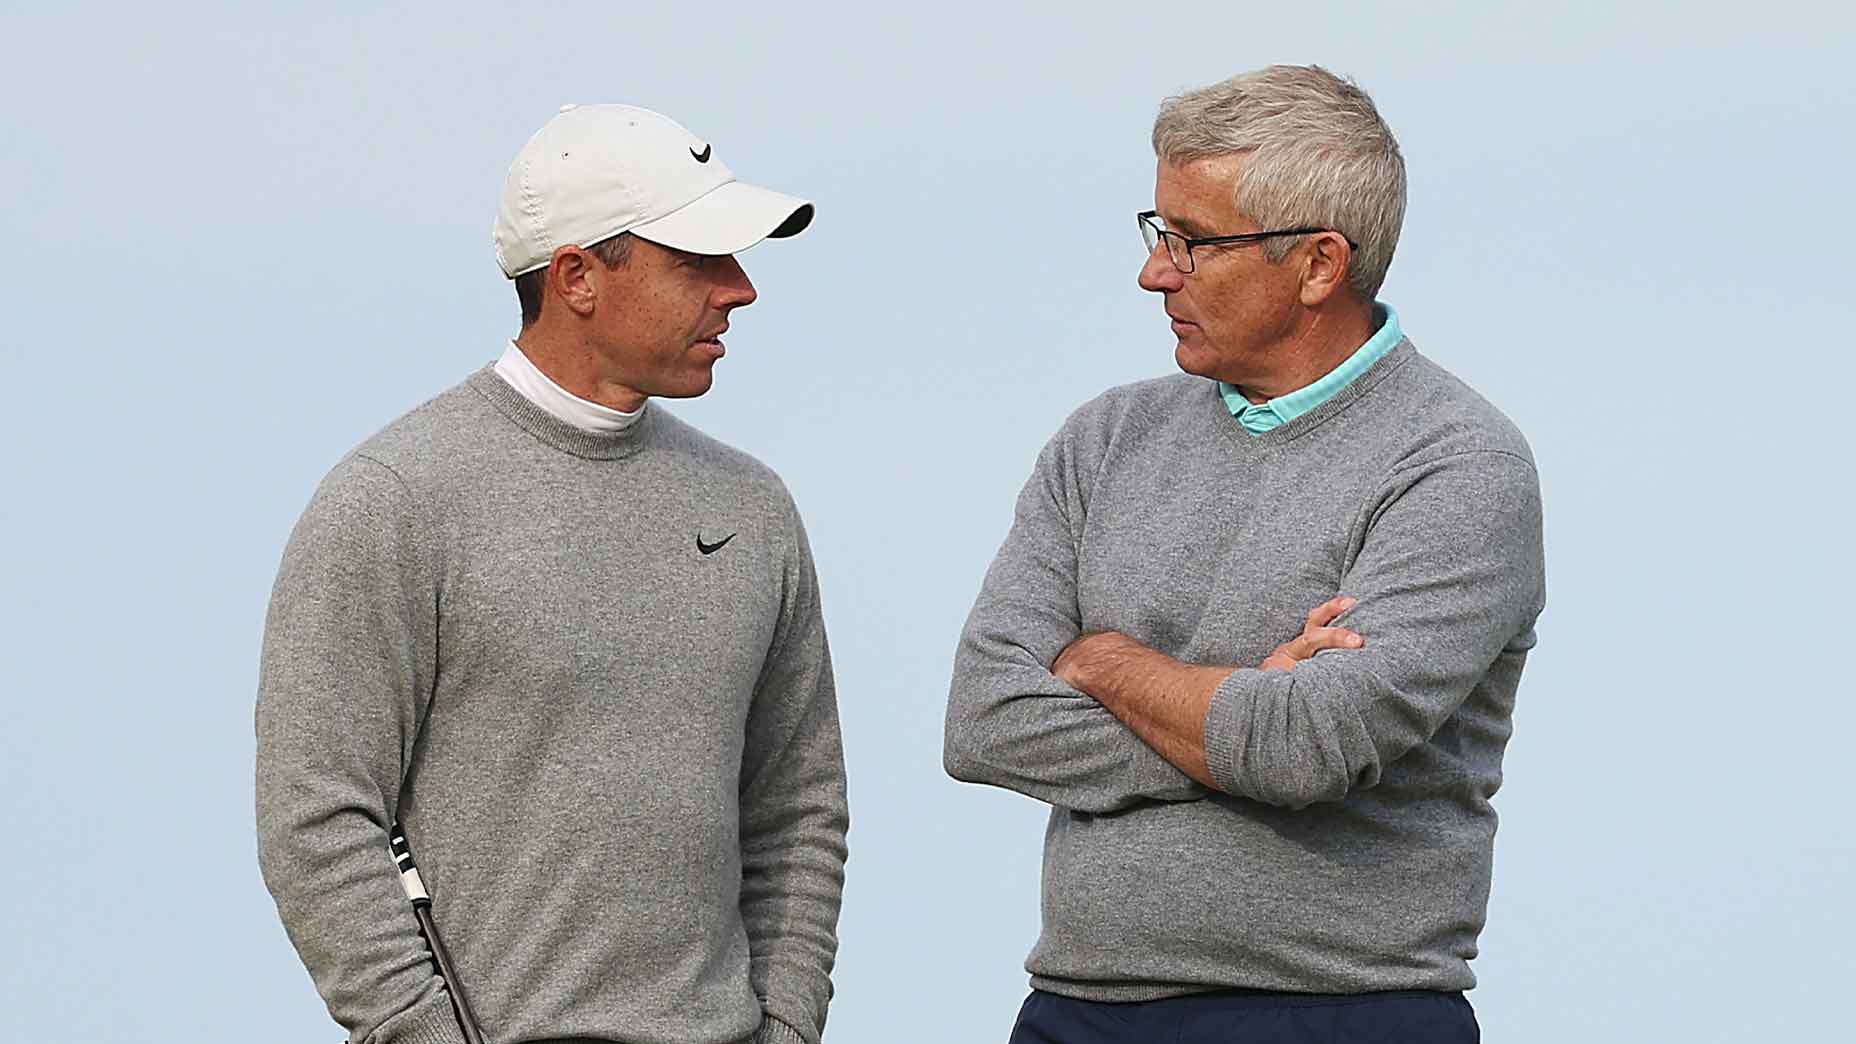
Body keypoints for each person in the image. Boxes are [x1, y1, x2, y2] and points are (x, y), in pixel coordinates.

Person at [944, 65, 1546, 1044]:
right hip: (1072, 1012)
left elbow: (1311, 744)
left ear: (1317, 264)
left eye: (1193, 242)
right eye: (1157, 231)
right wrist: (1241, 705)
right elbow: (984, 720)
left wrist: (1102, 662)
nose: (1155, 271)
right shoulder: (1103, 439)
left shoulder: (1458, 463)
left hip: (1338, 1015)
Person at [256, 103, 848, 1044]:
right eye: (699, 260)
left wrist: (785, 1026)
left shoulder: (751, 507)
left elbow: (797, 810)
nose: (742, 290)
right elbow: (317, 820)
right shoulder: (396, 498)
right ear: (575, 275)